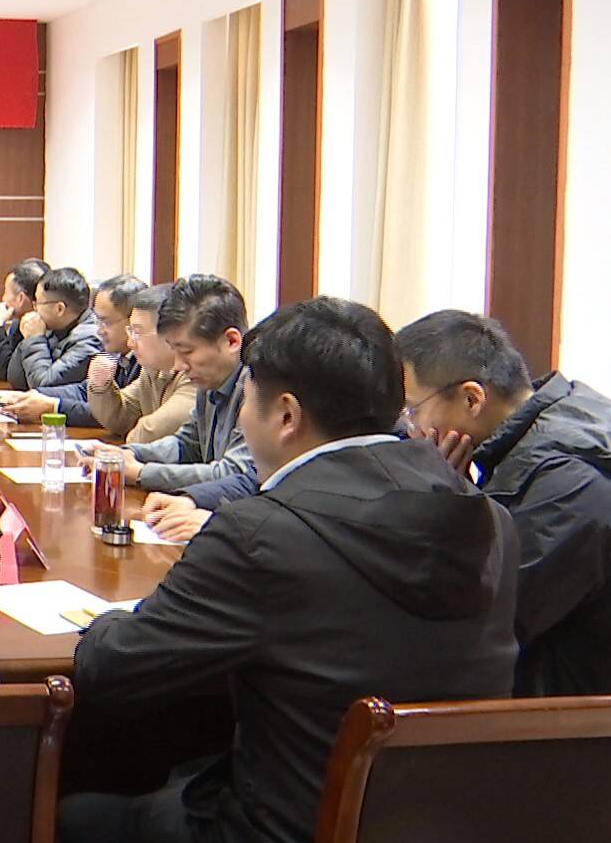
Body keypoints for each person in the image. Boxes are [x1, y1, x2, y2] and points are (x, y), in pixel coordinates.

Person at [58, 297, 519, 843]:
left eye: (247, 401)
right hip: (440, 820)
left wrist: (106, 619)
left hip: (285, 824)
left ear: (286, 416)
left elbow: (110, 669)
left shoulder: (261, 534)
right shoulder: (490, 518)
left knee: (69, 813)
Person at [398, 309, 611, 696]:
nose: (411, 429)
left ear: (471, 399)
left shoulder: (571, 484)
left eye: (413, 409)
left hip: (595, 717)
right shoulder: (571, 425)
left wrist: (445, 505)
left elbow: (480, 627)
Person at [85, 275, 256, 504]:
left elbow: (235, 473)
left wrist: (140, 473)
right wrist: (129, 454)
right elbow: (185, 444)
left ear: (231, 341)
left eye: (186, 352)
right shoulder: (209, 380)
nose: (178, 365)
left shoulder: (259, 387)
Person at [3, 274, 147, 427]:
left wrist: (54, 407)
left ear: (134, 322)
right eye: (97, 320)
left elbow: (118, 413)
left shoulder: (148, 362)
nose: (99, 330)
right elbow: (84, 390)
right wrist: (36, 395)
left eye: (105, 322)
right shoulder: (117, 353)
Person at [88, 283, 198, 444]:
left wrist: (130, 441)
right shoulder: (153, 370)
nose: (130, 343)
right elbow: (120, 417)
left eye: (137, 333)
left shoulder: (196, 373)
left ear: (171, 334)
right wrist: (100, 387)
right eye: (130, 332)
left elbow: (153, 431)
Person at [3, 266, 104, 390]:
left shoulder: (89, 340)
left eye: (38, 303)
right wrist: (28, 338)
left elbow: (44, 387)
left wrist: (34, 339)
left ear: (59, 309)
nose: (35, 309)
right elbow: (16, 378)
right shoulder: (55, 327)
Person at [0, 257, 49, 380]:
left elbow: (6, 372)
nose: (3, 298)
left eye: (6, 292)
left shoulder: (40, 327)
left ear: (20, 298)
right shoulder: (17, 325)